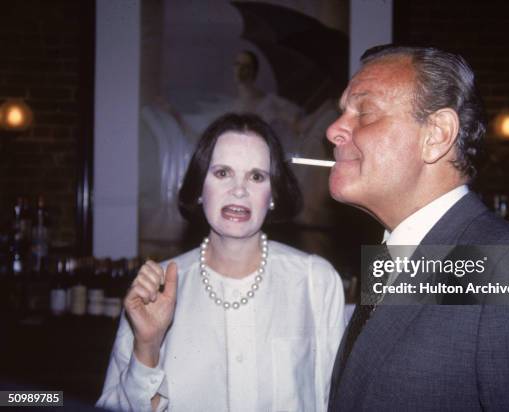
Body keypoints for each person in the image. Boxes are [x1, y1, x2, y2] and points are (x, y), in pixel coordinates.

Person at [325, 45, 509, 410]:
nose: (334, 130)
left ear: (437, 135)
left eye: (364, 112)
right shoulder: (389, 259)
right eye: (341, 113)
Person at [97, 113, 345, 411]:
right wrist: (147, 346)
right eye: (222, 173)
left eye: (256, 176)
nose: (238, 190)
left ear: (273, 195)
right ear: (200, 189)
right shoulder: (154, 289)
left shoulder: (315, 280)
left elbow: (340, 400)